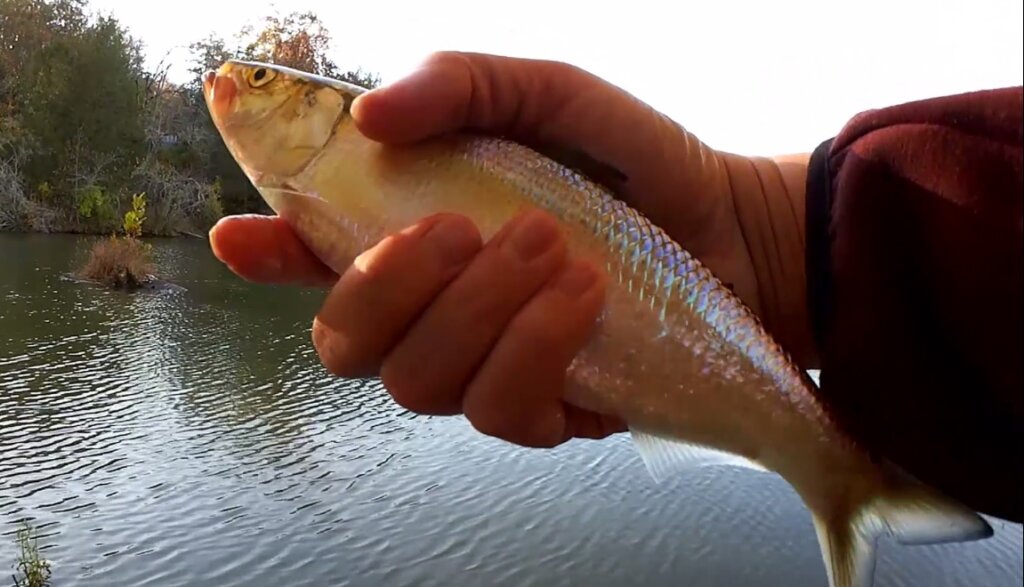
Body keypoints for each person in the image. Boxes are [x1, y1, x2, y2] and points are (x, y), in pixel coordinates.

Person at [208, 52, 1022, 524]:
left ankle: (838, 482)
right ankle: (839, 479)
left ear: (320, 106)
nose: (235, 87)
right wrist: (785, 236)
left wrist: (790, 234)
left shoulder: (362, 129)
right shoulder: (310, 189)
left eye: (263, 79)